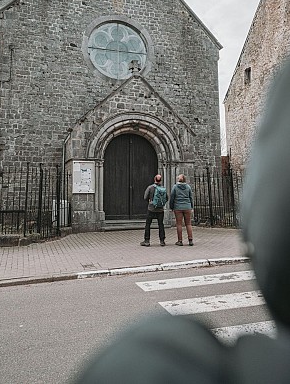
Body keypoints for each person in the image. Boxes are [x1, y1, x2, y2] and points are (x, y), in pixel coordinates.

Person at [71, 57, 290, 384]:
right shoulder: (177, 185)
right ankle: (176, 239)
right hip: (174, 214)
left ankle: (167, 239)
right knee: (173, 226)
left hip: (160, 212)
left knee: (158, 224)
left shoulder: (166, 357)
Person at [140, 174, 168, 247]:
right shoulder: (163, 189)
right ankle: (162, 241)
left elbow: (145, 197)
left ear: (154, 179)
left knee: (148, 224)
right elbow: (167, 198)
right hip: (160, 210)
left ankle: (147, 241)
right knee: (161, 224)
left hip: (151, 209)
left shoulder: (150, 188)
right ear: (161, 180)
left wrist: (150, 202)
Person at [169, 174, 194, 246]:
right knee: (188, 224)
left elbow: (172, 197)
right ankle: (190, 240)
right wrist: (191, 206)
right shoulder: (188, 187)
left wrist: (172, 207)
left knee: (179, 224)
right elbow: (191, 197)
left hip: (178, 207)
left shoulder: (175, 187)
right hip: (187, 207)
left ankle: (180, 241)